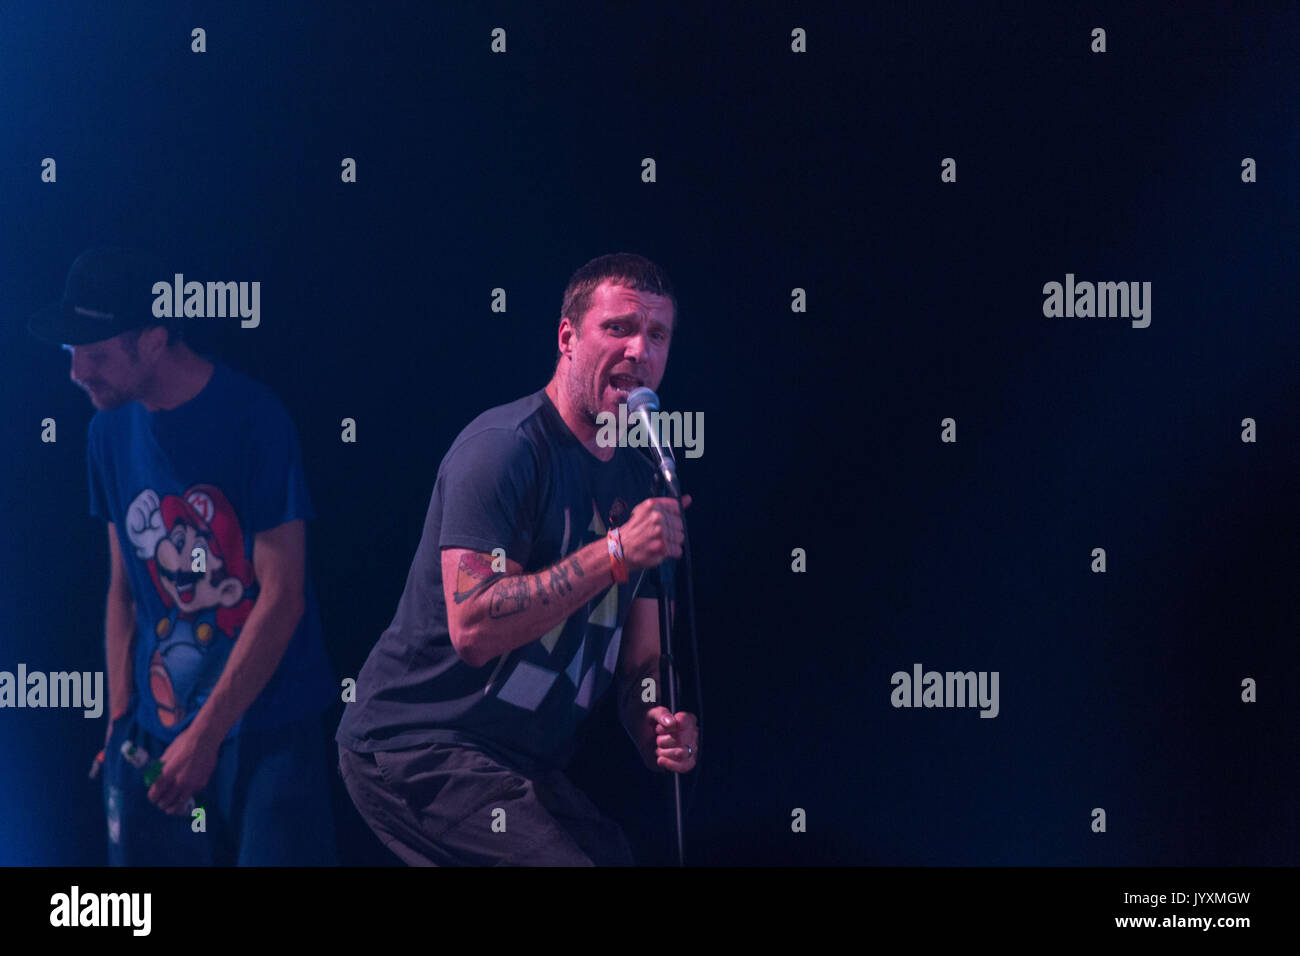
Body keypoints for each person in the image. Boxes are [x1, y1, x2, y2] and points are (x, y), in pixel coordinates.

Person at [336, 252, 700, 866]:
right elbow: (474, 627)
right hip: (419, 742)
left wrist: (654, 723)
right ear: (567, 337)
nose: (640, 351)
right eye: (619, 328)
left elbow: (641, 658)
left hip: (513, 760)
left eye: (656, 335)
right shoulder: (504, 449)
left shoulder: (645, 485)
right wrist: (614, 553)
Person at [28, 246, 338, 865]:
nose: (76, 373)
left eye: (95, 354)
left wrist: (205, 737)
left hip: (267, 731)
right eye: (71, 354)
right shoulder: (105, 431)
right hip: (156, 735)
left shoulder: (256, 420)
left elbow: (283, 598)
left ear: (153, 340)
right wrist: (120, 723)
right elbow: (123, 589)